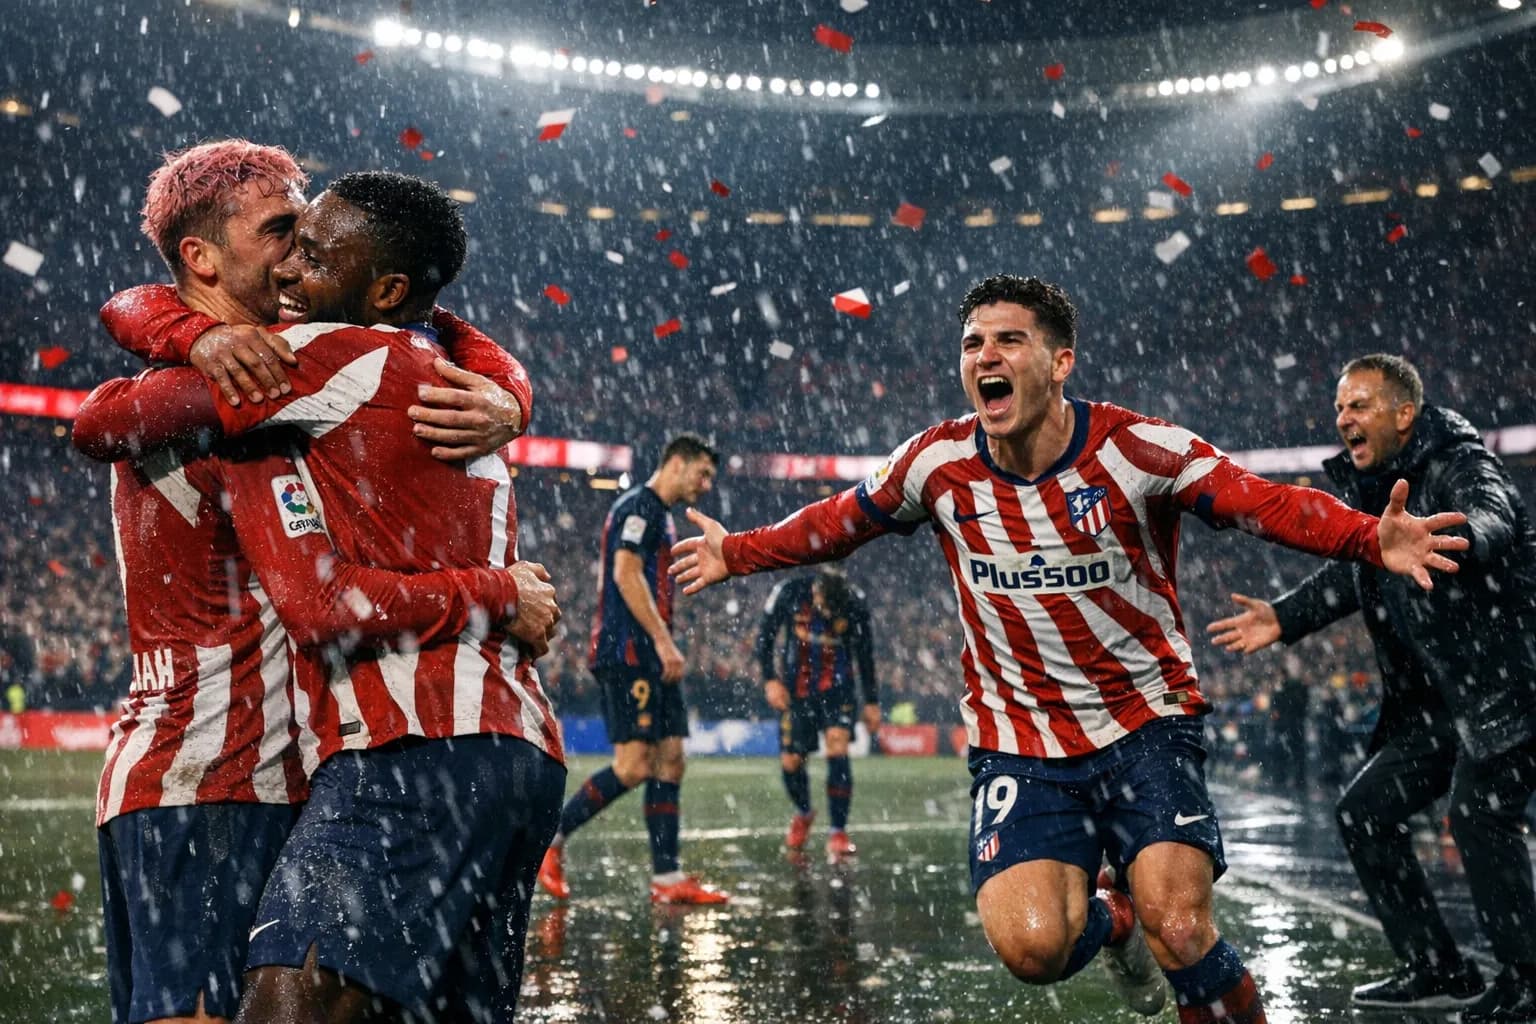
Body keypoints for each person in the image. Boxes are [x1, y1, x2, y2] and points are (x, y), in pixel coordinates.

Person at [669, 275, 1471, 1023]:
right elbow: (837, 522)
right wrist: (736, 552)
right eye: (973, 342)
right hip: (1020, 740)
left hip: (1144, 721)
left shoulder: (1137, 449)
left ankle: (1147, 919)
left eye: (1010, 340)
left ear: (1060, 363)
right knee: (1033, 950)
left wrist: (1370, 537)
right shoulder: (937, 464)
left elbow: (1264, 501)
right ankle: (1110, 914)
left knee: (1183, 928)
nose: (986, 356)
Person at [74, 170, 567, 1023]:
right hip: (210, 771)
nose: (296, 264)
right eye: (281, 236)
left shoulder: (323, 365)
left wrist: (514, 394)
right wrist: (497, 588)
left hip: (352, 756)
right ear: (201, 258)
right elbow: (98, 417)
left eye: (312, 246)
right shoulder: (307, 366)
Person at [1208, 353, 1536, 1021]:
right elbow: (1351, 574)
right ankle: (1436, 965)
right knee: (1366, 813)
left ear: (1404, 414)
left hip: (1507, 686)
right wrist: (1284, 617)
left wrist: (1467, 535)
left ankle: (1527, 978)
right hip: (1440, 702)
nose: (1343, 418)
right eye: (1339, 408)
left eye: (1358, 406)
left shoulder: (1457, 462)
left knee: (1480, 817)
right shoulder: (1382, 489)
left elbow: (1495, 511)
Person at [536, 435, 729, 905]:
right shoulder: (638, 507)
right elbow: (625, 573)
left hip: (649, 654)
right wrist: (664, 642)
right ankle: (550, 841)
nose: (706, 485)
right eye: (702, 473)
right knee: (635, 765)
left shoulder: (659, 515)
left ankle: (667, 880)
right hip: (629, 655)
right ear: (677, 463)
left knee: (671, 760)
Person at [755, 566, 880, 858]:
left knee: (838, 746)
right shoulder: (789, 592)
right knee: (791, 762)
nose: (826, 613)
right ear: (816, 590)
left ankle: (838, 831)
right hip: (796, 691)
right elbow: (765, 638)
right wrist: (769, 679)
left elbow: (865, 654)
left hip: (838, 691)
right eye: (823, 605)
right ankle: (804, 811)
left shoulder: (855, 603)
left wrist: (872, 701)